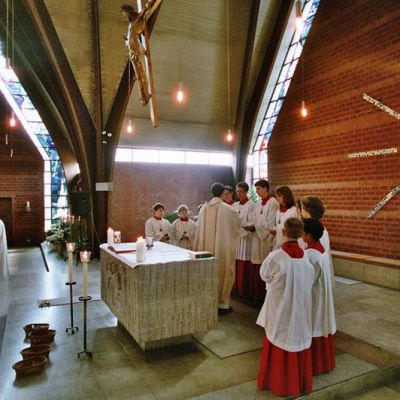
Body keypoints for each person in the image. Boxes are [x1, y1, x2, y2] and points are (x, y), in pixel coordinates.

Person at [256, 218, 315, 396]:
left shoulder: (276, 256)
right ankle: (298, 383)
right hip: (300, 307)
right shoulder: (306, 256)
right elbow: (310, 279)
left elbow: (264, 275)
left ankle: (278, 382)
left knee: (278, 334)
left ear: (283, 232)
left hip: (281, 307)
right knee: (296, 335)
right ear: (301, 234)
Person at [194, 183, 241, 312]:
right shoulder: (228, 209)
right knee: (222, 270)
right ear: (223, 193)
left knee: (207, 272)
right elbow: (237, 227)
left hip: (205, 250)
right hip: (221, 249)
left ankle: (207, 301)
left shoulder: (203, 208)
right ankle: (222, 304)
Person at [303, 218, 336, 375]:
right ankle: (325, 362)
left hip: (314, 295)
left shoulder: (310, 255)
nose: (301, 235)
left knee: (314, 323)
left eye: (303, 232)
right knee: (321, 322)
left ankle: (314, 365)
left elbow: (307, 280)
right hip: (322, 294)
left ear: (309, 236)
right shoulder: (321, 250)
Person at [121, 2, 159, 106]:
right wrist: (126, 39)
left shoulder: (137, 19)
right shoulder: (130, 25)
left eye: (125, 13)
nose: (125, 16)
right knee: (138, 76)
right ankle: (142, 96)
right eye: (124, 15)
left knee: (142, 74)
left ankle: (146, 94)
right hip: (132, 52)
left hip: (137, 50)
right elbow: (130, 38)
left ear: (129, 11)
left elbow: (144, 11)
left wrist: (148, 5)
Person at [249, 179, 279, 303]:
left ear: (266, 188)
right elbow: (254, 219)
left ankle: (265, 296)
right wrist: (253, 225)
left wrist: (256, 226)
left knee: (265, 264)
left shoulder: (273, 203)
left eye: (259, 189)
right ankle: (256, 294)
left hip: (266, 238)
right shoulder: (258, 204)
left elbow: (270, 223)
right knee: (256, 264)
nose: (257, 192)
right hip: (256, 237)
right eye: (256, 189)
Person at [299, 196, 334, 286]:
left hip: (313, 274)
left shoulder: (311, 230)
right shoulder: (319, 227)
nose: (300, 210)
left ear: (308, 210)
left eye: (302, 207)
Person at [232, 182, 255, 298]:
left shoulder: (251, 205)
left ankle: (244, 290)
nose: (239, 193)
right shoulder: (234, 205)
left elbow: (253, 221)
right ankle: (235, 287)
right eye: (237, 191)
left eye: (241, 191)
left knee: (244, 264)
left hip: (246, 239)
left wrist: (242, 226)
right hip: (236, 238)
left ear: (246, 192)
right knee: (235, 263)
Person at [272, 185, 299, 250]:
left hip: (289, 244)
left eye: (279, 196)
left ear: (286, 196)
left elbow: (295, 230)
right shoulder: (278, 211)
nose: (277, 198)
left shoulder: (293, 211)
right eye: (276, 196)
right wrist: (275, 230)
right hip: (279, 242)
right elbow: (278, 225)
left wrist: (284, 230)